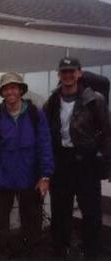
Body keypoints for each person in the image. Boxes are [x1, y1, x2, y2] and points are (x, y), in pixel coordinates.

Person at [0, 72, 54, 258]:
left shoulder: (35, 114)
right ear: (2, 92)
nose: (10, 91)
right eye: (6, 88)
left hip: (31, 178)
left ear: (21, 90)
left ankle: (30, 256)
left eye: (14, 87)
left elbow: (45, 144)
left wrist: (45, 176)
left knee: (32, 224)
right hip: (1, 179)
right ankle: (1, 256)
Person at [44, 57, 111, 258]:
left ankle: (92, 253)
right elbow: (46, 132)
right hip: (61, 163)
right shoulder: (52, 101)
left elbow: (107, 134)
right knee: (60, 212)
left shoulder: (95, 99)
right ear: (59, 75)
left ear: (80, 73)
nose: (68, 75)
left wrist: (108, 164)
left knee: (91, 213)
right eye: (64, 72)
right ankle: (60, 252)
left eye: (72, 71)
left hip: (87, 162)